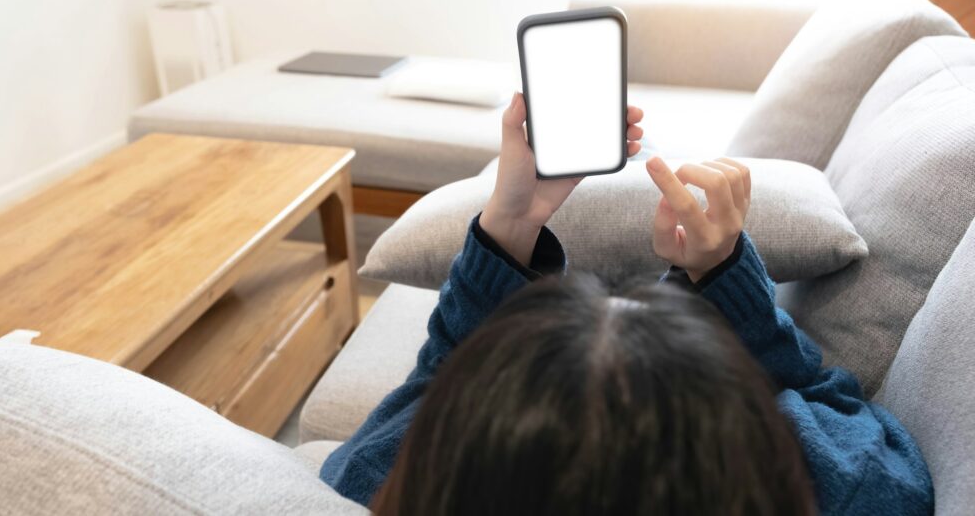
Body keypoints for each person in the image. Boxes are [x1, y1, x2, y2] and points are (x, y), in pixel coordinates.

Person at [320, 93, 933, 515]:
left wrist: (508, 223)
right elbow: (840, 416)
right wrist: (726, 282)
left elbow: (425, 399)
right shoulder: (850, 494)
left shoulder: (370, 485)